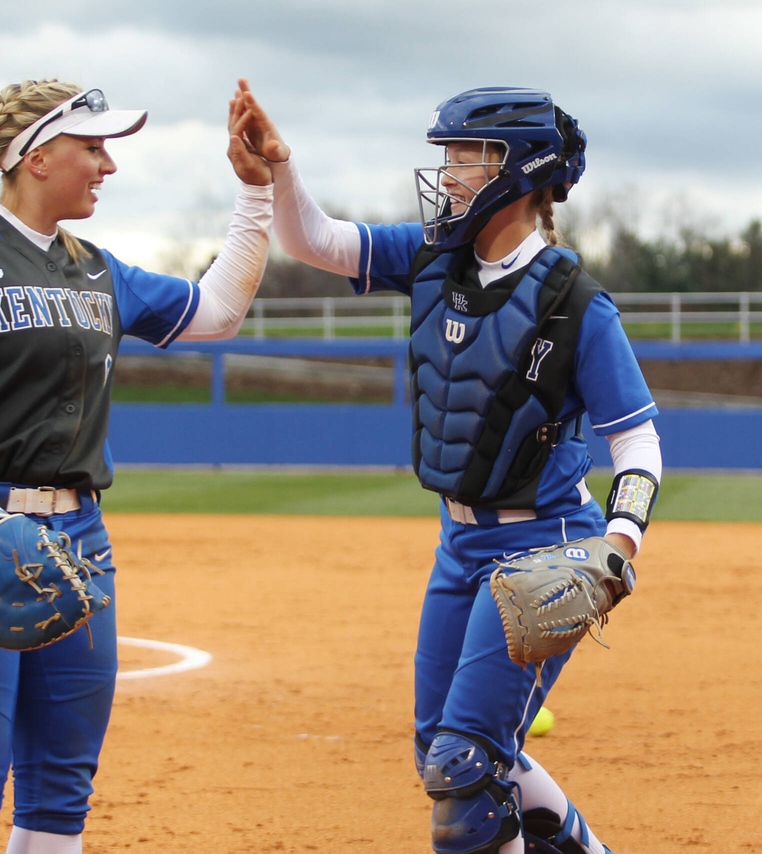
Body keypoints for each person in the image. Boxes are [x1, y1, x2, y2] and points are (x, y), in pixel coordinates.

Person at [234, 86, 662, 854]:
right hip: (459, 548)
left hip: (545, 548)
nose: (450, 171)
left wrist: (618, 547)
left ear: (520, 171)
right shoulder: (435, 258)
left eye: (466, 155)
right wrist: (279, 168)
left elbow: (638, 444)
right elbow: (317, 242)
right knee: (444, 747)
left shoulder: (576, 304)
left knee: (466, 766)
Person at [0, 78, 274, 854]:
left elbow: (218, 312)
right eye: (93, 148)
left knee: (59, 798)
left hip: (78, 543)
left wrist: (255, 195)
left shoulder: (96, 269)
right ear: (36, 154)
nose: (106, 166)